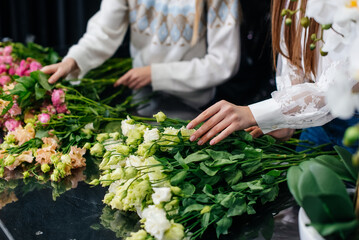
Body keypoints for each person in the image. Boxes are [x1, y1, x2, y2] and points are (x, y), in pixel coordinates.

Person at [187, 0, 359, 153]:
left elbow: (335, 88)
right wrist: (283, 120)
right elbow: (295, 61)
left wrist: (254, 113)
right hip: (317, 126)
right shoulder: (287, 5)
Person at [41, 0, 241, 119]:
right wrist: (72, 61)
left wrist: (155, 73)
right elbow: (104, 32)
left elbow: (223, 62)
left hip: (195, 106)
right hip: (141, 99)